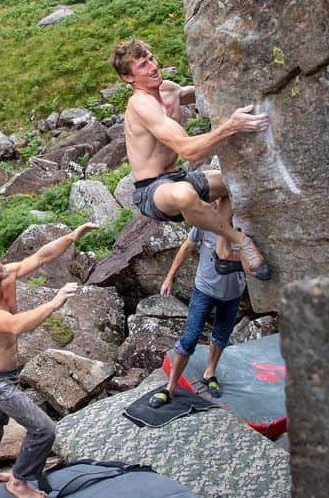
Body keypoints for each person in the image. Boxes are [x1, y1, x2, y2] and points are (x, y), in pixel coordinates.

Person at [109, 38, 272, 279]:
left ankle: (224, 252)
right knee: (184, 194)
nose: (153, 66)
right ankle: (239, 240)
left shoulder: (169, 90)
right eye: (143, 65)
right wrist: (230, 126)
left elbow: (203, 92)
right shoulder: (140, 105)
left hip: (178, 177)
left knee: (231, 182)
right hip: (152, 190)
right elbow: (189, 151)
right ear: (128, 77)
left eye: (151, 58)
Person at [0, 222, 100, 498]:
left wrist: (72, 236)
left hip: (6, 372)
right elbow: (13, 326)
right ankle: (19, 481)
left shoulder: (5, 274)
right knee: (44, 429)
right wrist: (54, 302)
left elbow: (40, 256)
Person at [148, 197, 246, 408]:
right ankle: (170, 387)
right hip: (205, 290)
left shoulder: (243, 226)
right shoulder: (205, 223)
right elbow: (186, 247)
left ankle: (210, 372)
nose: (221, 206)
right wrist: (170, 277)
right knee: (190, 338)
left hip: (233, 293)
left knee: (221, 335)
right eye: (219, 202)